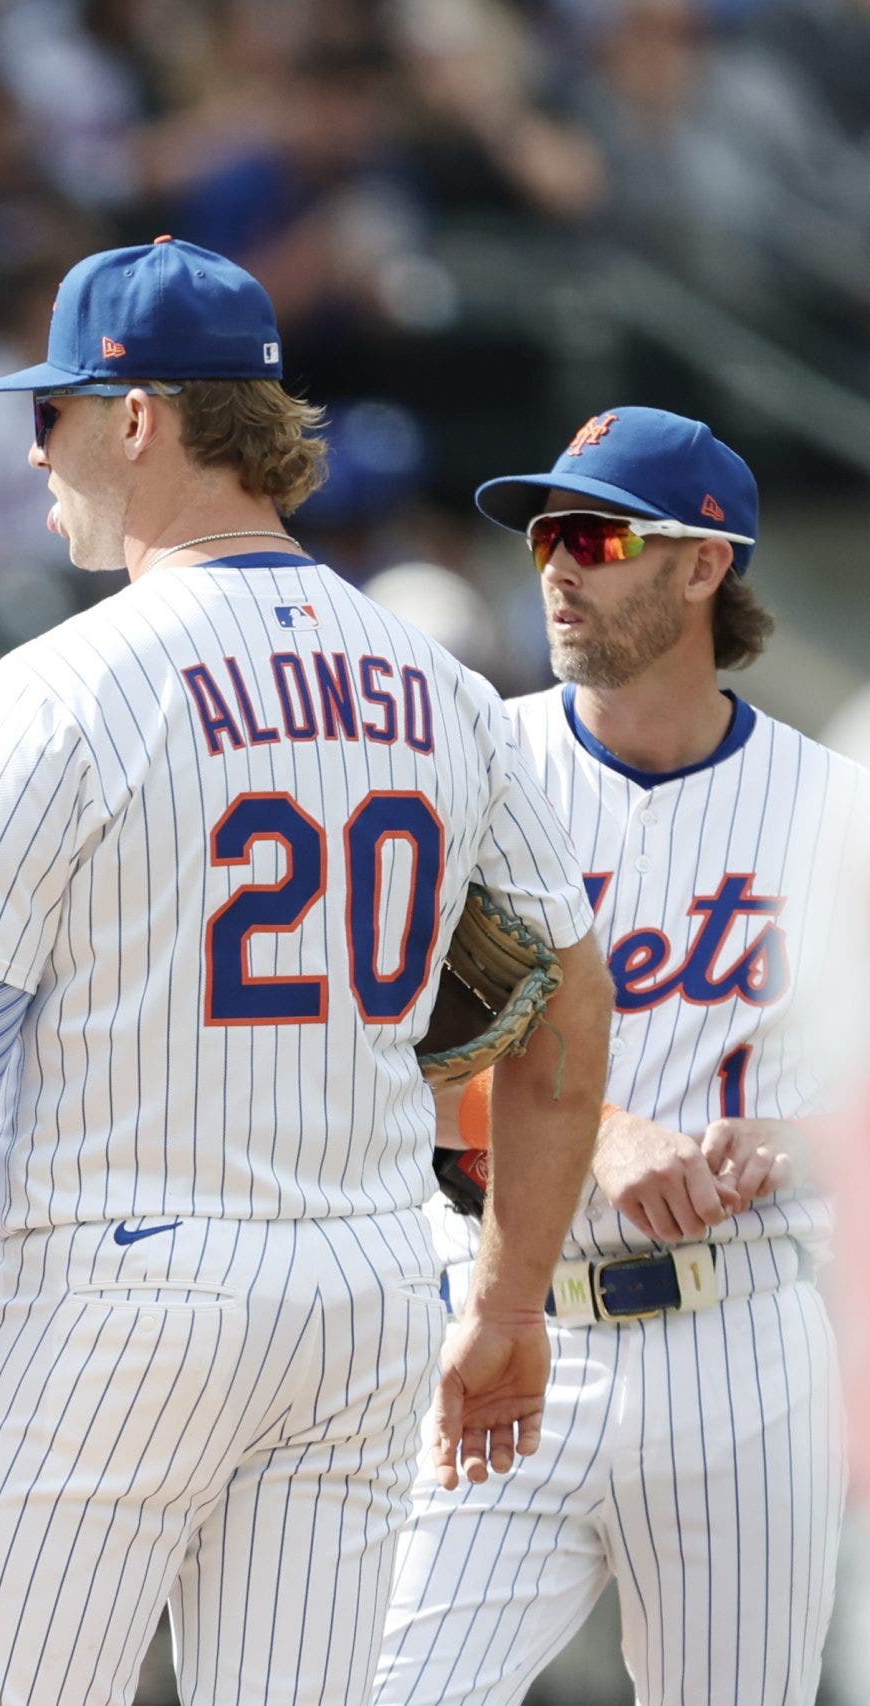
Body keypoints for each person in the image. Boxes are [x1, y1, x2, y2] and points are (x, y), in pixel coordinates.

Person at [0, 238, 615, 1704]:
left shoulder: (61, 686)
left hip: (125, 1284)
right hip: (365, 1280)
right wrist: (510, 1299)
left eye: (53, 408)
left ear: (137, 417)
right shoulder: (442, 685)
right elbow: (565, 1012)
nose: (33, 446)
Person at [375, 408, 863, 1705]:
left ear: (704, 564)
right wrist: (597, 1131)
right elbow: (381, 1051)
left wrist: (801, 1141)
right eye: (544, 536)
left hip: (745, 1339)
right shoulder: (474, 769)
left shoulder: (839, 808)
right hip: (503, 1323)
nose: (557, 566)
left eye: (594, 537)